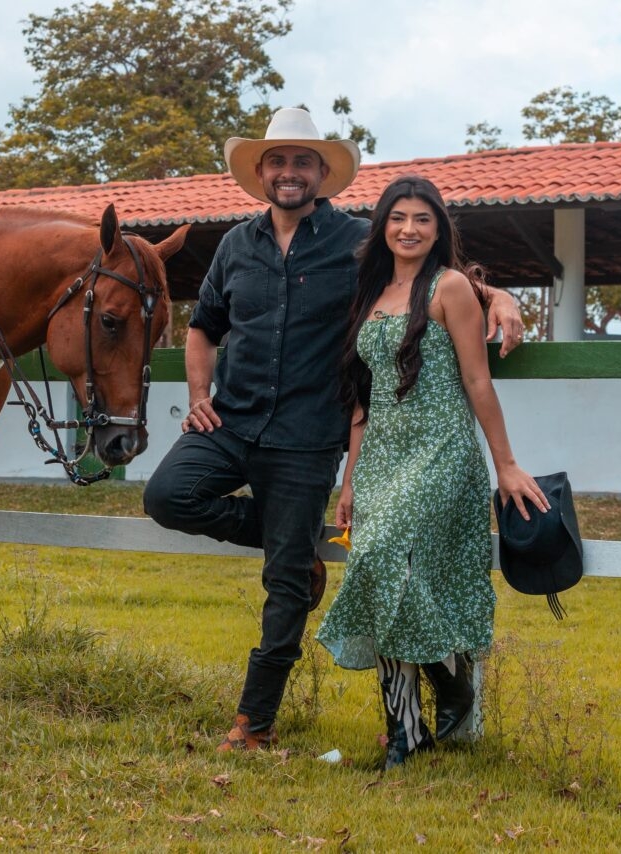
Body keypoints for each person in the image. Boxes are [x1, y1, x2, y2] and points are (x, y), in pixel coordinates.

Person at [142, 108, 526, 752]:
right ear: (260, 173)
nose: (288, 172)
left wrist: (501, 298)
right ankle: (288, 540)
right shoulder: (236, 244)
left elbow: (426, 272)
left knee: (285, 583)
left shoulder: (355, 241)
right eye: (277, 161)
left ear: (322, 173)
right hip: (230, 420)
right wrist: (199, 392)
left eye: (302, 162)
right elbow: (203, 325)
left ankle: (253, 723)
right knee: (166, 497)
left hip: (307, 434)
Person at [315, 174, 549, 769]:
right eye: (398, 218)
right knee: (378, 570)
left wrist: (507, 464)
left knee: (380, 556)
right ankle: (405, 732)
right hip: (381, 458)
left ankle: (451, 681)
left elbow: (477, 379)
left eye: (423, 219)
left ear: (440, 228)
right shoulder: (370, 293)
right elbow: (364, 402)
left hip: (442, 449)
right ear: (382, 227)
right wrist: (349, 480)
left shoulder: (448, 288)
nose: (409, 229)